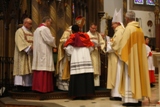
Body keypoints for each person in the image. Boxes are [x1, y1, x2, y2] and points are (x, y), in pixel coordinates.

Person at [117, 11, 151, 106]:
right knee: (138, 77)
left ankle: (130, 100)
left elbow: (123, 45)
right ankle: (138, 98)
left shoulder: (129, 28)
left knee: (130, 77)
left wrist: (120, 53)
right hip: (139, 58)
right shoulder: (140, 29)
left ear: (127, 18)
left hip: (131, 58)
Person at [64, 24, 95, 99]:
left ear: (72, 31)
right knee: (86, 74)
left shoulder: (72, 37)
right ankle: (87, 94)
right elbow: (91, 47)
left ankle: (77, 94)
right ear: (79, 29)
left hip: (76, 57)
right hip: (86, 56)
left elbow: (68, 49)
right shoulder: (85, 36)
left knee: (77, 74)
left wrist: (70, 53)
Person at [56, 16, 85, 91]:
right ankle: (64, 86)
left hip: (76, 54)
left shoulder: (79, 32)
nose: (81, 28)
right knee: (66, 68)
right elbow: (62, 41)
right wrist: (69, 41)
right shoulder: (68, 31)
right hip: (67, 53)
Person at [32, 16, 57, 93]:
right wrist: (54, 40)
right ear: (47, 22)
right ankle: (44, 88)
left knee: (39, 67)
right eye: (50, 22)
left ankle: (37, 87)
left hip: (38, 52)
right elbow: (49, 40)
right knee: (44, 67)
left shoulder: (36, 30)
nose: (51, 24)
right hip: (44, 51)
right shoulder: (45, 29)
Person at [106, 9, 125, 101]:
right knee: (117, 75)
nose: (112, 26)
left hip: (117, 58)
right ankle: (116, 93)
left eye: (113, 24)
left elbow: (116, 45)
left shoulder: (119, 31)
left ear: (117, 23)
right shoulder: (119, 30)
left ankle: (117, 94)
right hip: (117, 57)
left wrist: (109, 44)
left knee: (117, 75)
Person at [13, 18, 33, 92]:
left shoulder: (30, 32)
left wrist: (33, 47)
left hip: (29, 54)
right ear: (25, 23)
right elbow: (20, 42)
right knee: (21, 68)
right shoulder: (19, 31)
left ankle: (27, 85)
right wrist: (29, 47)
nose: (31, 26)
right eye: (30, 24)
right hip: (22, 54)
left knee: (27, 69)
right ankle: (20, 85)